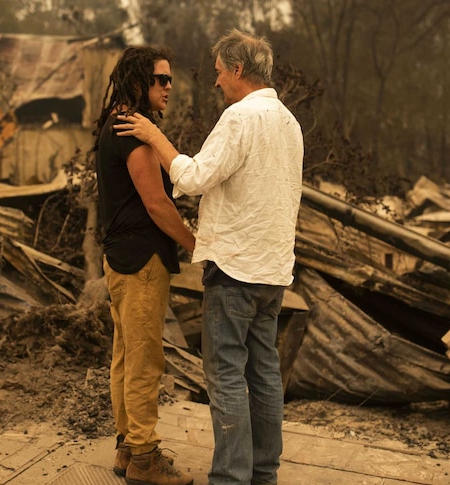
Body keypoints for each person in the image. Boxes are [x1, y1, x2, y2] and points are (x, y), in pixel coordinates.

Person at [115, 29, 304, 485]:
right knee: (264, 377)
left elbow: (195, 176)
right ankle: (263, 474)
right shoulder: (289, 123)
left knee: (224, 378)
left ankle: (230, 479)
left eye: (219, 72)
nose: (216, 82)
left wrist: (154, 136)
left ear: (238, 70)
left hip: (235, 270)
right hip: (273, 272)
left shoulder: (241, 118)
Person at [94, 46, 196, 485]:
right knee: (144, 361)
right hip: (141, 261)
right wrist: (196, 243)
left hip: (120, 258)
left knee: (125, 358)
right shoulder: (135, 131)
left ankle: (126, 450)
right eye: (161, 79)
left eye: (170, 79)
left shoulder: (116, 122)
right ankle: (144, 459)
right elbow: (156, 203)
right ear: (139, 82)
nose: (169, 86)